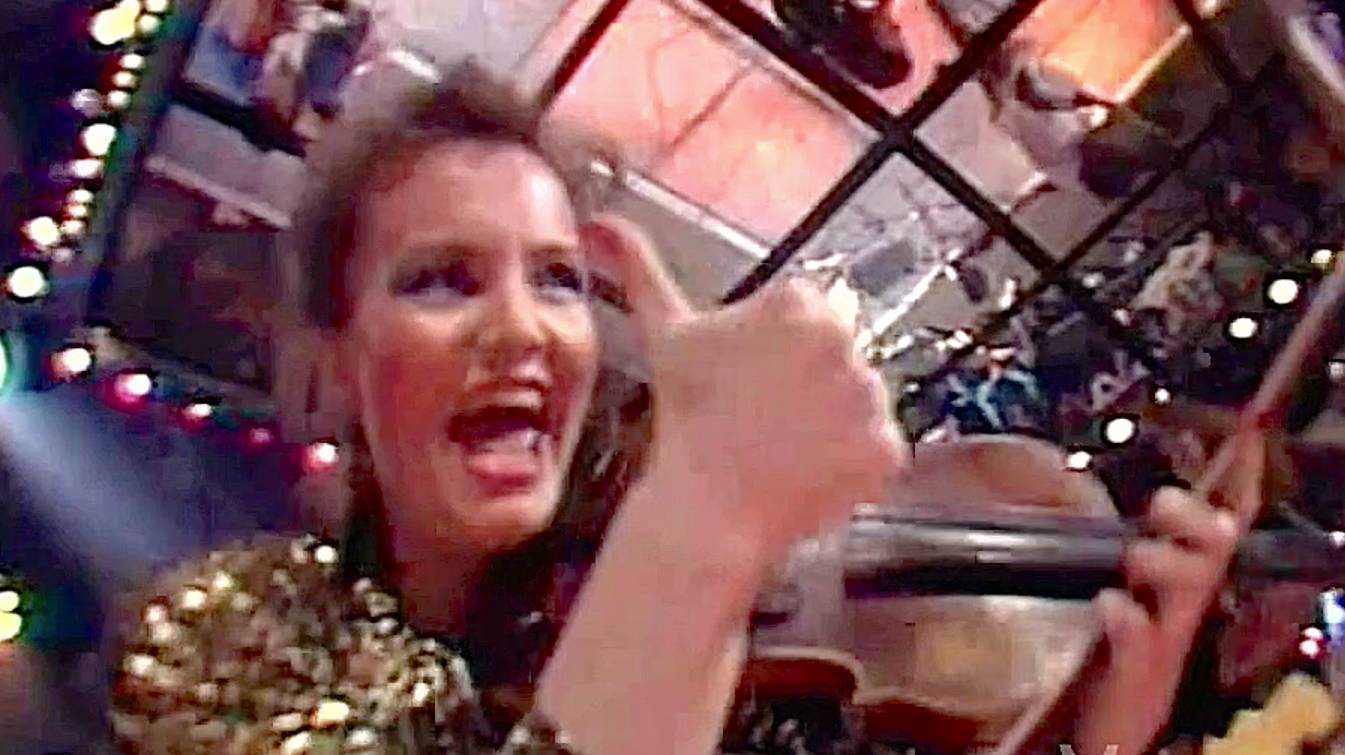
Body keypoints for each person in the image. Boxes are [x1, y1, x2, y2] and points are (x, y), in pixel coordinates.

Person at [109, 62, 1243, 755]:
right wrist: (701, 527)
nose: (525, 328)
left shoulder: (735, 646)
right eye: (443, 280)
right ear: (336, 355)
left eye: (559, 279)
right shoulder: (224, 648)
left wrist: (1101, 737)